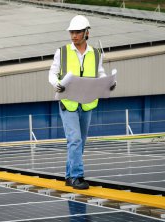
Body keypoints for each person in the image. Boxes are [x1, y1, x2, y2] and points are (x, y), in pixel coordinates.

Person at [48, 15, 116, 190]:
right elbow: (52, 74)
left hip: (87, 102)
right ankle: (77, 176)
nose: (74, 36)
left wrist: (108, 81)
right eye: (72, 32)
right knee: (75, 140)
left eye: (78, 32)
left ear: (87, 33)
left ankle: (69, 176)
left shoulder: (95, 53)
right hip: (68, 102)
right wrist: (57, 84)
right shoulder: (61, 52)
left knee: (80, 141)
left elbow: (100, 72)